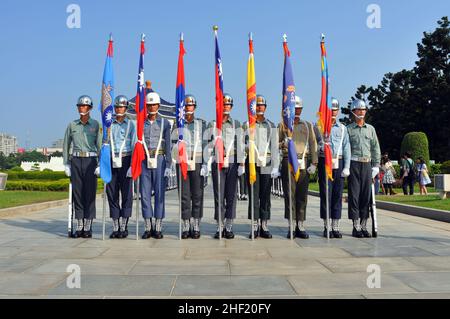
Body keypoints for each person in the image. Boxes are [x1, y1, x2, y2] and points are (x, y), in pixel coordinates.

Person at [279, 96, 318, 239]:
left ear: (301, 109)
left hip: (303, 161)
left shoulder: (307, 125)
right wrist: (283, 143)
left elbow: (314, 144)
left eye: (298, 108)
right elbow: (275, 144)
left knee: (302, 195)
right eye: (294, 107)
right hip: (288, 160)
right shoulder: (283, 125)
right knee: (290, 194)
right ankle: (291, 224)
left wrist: (314, 163)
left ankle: (300, 225)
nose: (296, 110)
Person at [63, 95, 102, 238]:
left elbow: (99, 146)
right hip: (76, 160)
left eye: (85, 106)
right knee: (77, 194)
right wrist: (66, 163)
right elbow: (66, 144)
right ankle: (79, 224)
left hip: (91, 161)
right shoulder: (72, 125)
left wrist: (100, 164)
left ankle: (88, 225)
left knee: (90, 194)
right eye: (79, 106)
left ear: (90, 108)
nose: (81, 108)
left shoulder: (96, 125)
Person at [208, 93, 245, 239]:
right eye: (224, 104)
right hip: (218, 161)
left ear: (231, 106)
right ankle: (220, 225)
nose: (226, 106)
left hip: (232, 161)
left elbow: (240, 144)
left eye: (229, 104)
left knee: (231, 195)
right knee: (219, 195)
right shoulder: (212, 124)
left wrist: (242, 163)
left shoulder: (237, 124)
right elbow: (208, 144)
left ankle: (229, 225)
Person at [243, 95, 280, 239]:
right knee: (253, 194)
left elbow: (275, 148)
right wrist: (246, 147)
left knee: (265, 195)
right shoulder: (248, 125)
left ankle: (264, 224)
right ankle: (254, 224)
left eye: (262, 105)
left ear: (265, 107)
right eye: (257, 105)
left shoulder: (271, 125)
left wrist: (276, 166)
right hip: (252, 162)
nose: (259, 107)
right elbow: (241, 144)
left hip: (267, 162)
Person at [173, 94, 208, 239]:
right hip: (183, 161)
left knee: (197, 194)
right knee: (184, 195)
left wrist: (206, 163)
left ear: (195, 107)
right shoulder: (178, 124)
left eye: (191, 105)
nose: (189, 108)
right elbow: (173, 143)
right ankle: (186, 223)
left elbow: (206, 144)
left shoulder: (201, 124)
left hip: (198, 161)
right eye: (186, 105)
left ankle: (196, 224)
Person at [316, 98, 351, 238]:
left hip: (339, 161)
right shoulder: (319, 126)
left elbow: (347, 147)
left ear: (338, 111)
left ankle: (335, 225)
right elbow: (316, 144)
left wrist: (347, 166)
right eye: (330, 109)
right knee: (326, 194)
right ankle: (326, 226)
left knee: (337, 195)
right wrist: (321, 147)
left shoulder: (343, 128)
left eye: (335, 109)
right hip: (325, 162)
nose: (333, 112)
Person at [347, 99, 381, 238]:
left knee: (366, 196)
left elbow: (375, 147)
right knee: (354, 196)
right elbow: (346, 149)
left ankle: (364, 225)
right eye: (358, 110)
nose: (361, 112)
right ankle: (356, 226)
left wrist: (376, 166)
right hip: (354, 164)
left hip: (367, 165)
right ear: (353, 112)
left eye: (363, 109)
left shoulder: (371, 129)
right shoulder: (348, 129)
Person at [140, 92, 172, 239]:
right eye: (149, 105)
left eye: (154, 104)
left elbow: (168, 144)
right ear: (146, 106)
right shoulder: (141, 123)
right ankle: (148, 226)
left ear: (158, 105)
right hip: (145, 159)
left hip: (159, 158)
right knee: (145, 194)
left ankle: (158, 225)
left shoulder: (165, 123)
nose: (152, 107)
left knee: (159, 194)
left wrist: (169, 164)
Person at [106, 95, 137, 239]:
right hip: (111, 160)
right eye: (117, 107)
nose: (119, 109)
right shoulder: (109, 125)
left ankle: (124, 224)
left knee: (126, 194)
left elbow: (135, 145)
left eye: (122, 107)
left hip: (126, 160)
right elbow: (104, 144)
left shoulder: (131, 125)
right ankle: (115, 224)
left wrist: (132, 165)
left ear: (126, 109)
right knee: (111, 193)